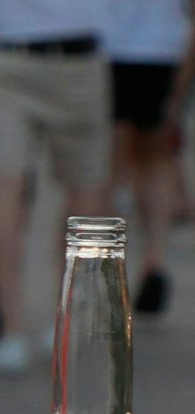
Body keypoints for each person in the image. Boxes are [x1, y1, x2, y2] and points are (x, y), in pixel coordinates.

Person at [0, 0, 112, 373]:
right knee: (84, 190)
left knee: (4, 188)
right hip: (77, 55)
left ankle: (11, 330)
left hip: (5, 51)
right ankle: (65, 320)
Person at [106, 0, 193, 314]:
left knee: (109, 163)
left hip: (108, 47)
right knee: (155, 155)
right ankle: (154, 260)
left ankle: (108, 266)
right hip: (163, 48)